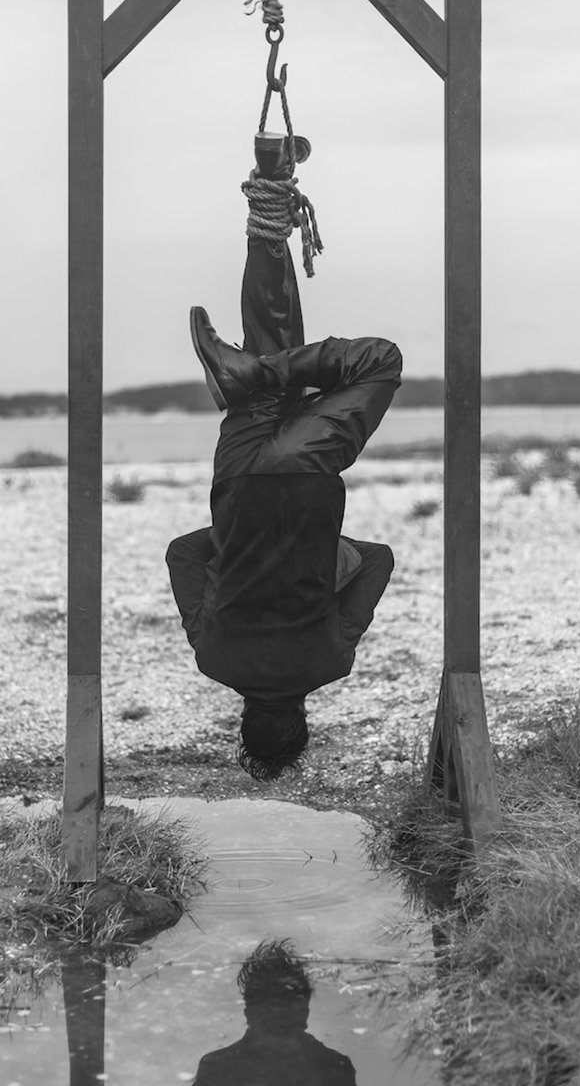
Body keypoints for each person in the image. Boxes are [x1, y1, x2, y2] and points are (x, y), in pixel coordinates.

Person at [166, 133, 402, 782]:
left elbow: (378, 559)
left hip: (303, 475)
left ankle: (254, 370)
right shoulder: (213, 658)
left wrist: (314, 551)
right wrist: (240, 541)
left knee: (378, 363)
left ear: (302, 720)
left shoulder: (329, 661)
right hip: (239, 475)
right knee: (273, 343)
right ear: (243, 721)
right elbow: (183, 554)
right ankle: (270, 183)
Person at [191, 938, 356, 1085]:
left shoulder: (216, 1068)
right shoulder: (334, 1068)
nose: (278, 1015)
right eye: (272, 1007)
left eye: (284, 1006)